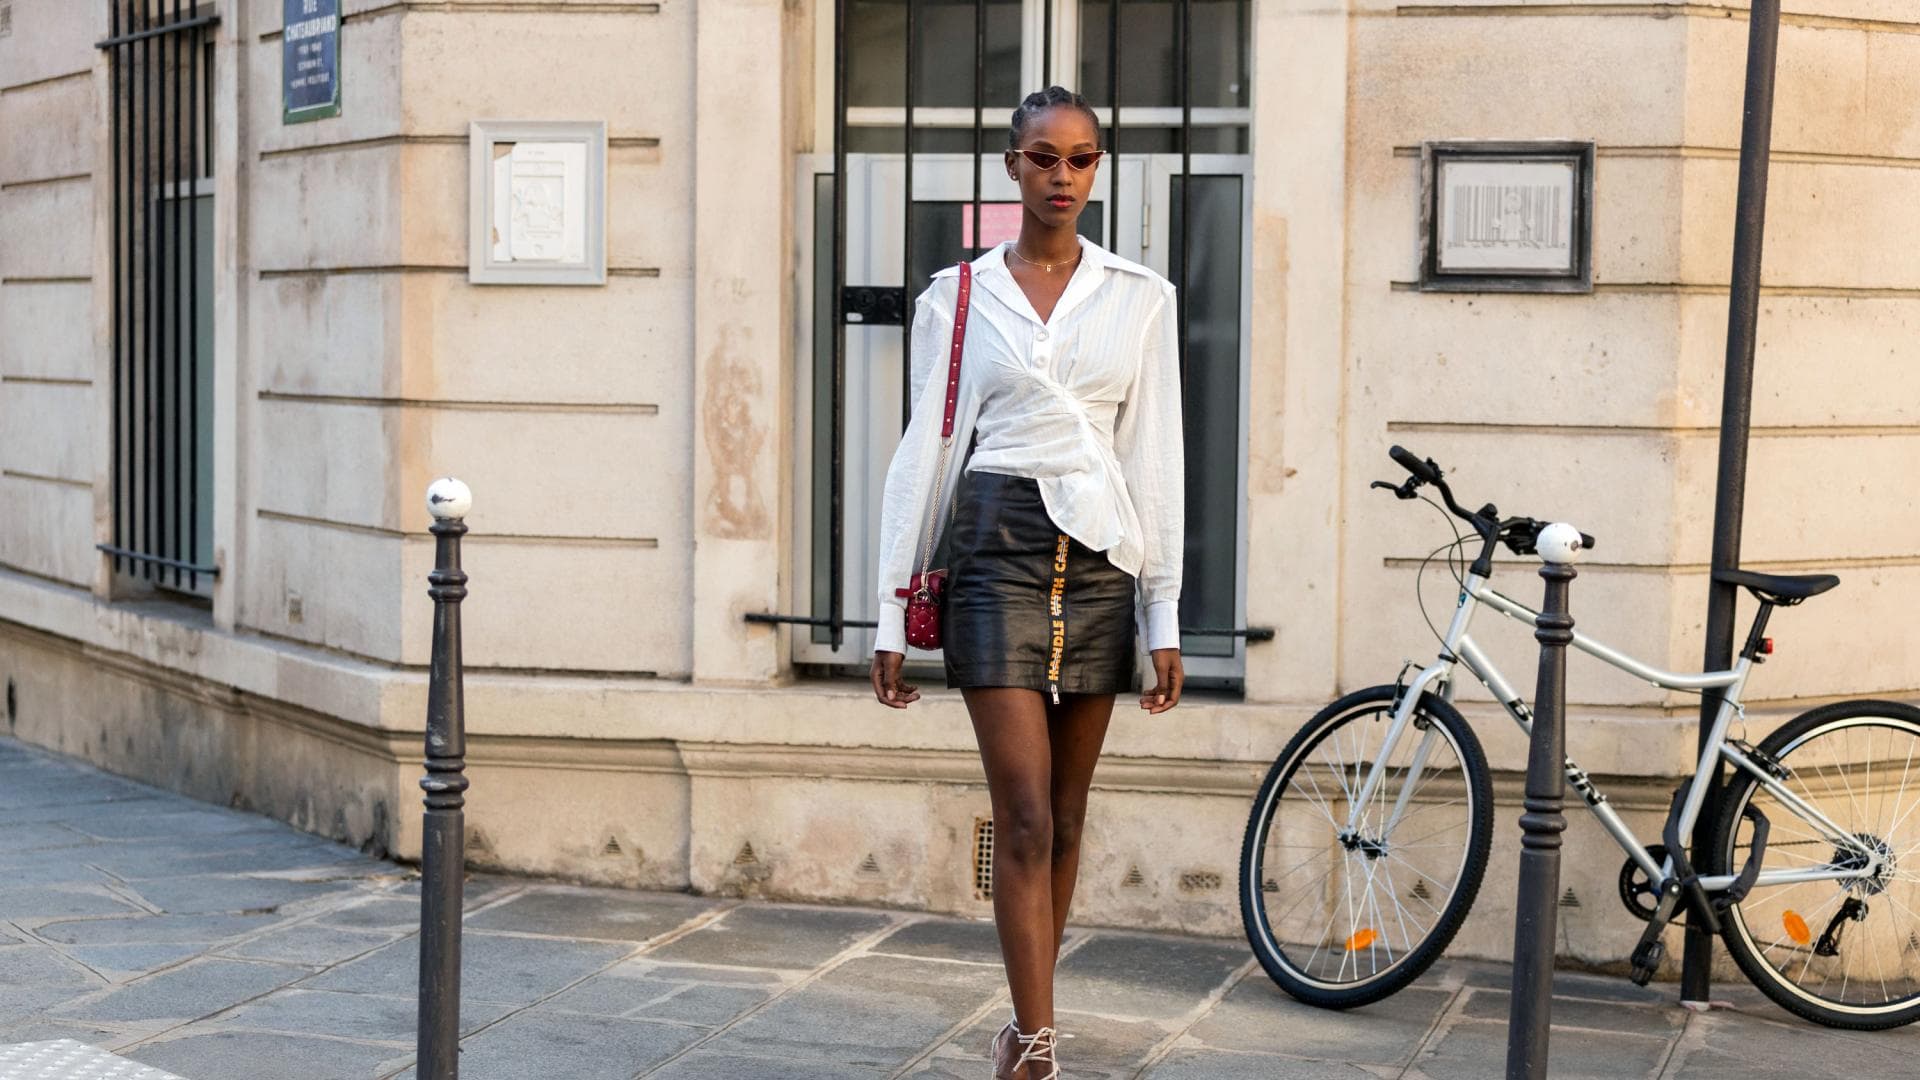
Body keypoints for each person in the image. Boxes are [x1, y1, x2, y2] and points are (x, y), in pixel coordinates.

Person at [869, 85, 1185, 1080]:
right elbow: (928, 449)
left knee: (1071, 813)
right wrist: (891, 609)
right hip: (993, 547)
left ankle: (1024, 1024)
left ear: (1098, 169)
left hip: (1101, 558)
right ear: (1013, 166)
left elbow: (1155, 457)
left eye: (1081, 158)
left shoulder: (1141, 296)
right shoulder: (957, 297)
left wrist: (1163, 610)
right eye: (1043, 157)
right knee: (1027, 812)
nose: (1062, 176)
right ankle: (1037, 1044)